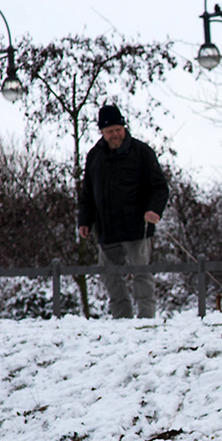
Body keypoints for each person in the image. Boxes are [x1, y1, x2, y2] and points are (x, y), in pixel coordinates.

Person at [77, 102, 169, 319]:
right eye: (110, 131)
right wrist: (84, 220)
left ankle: (146, 318)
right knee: (110, 276)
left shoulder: (142, 152)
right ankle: (121, 318)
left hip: (137, 227)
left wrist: (154, 210)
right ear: (102, 132)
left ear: (124, 127)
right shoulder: (94, 157)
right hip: (106, 229)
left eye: (118, 129)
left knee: (141, 274)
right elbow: (88, 194)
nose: (115, 134)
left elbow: (160, 187)